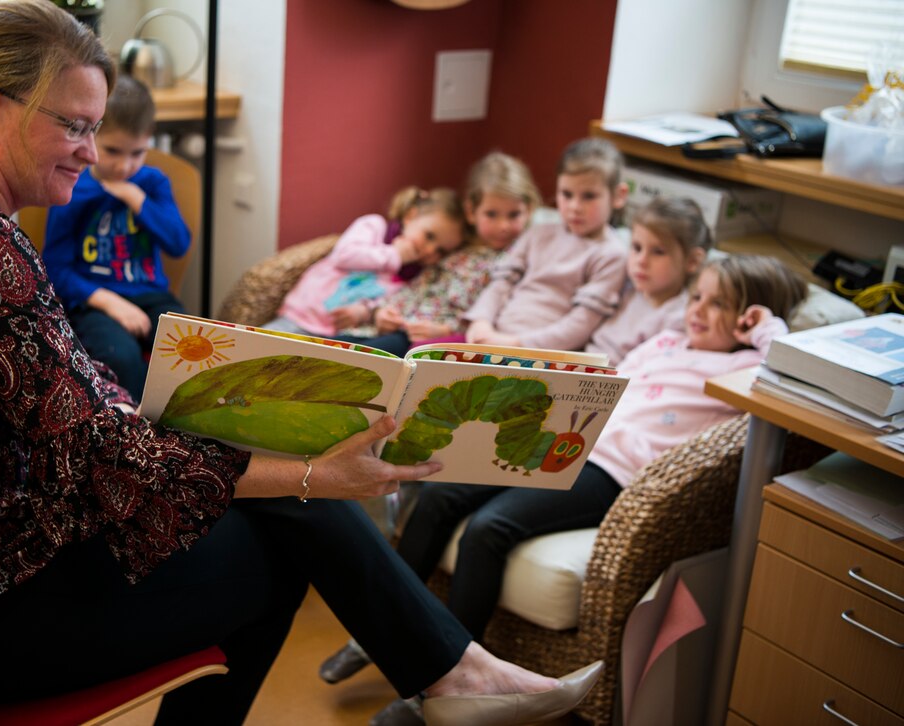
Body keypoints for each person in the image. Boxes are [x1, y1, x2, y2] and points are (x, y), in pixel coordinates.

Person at [0, 2, 603, 725]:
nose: (91, 153)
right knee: (288, 533)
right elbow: (99, 461)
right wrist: (314, 475)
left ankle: (452, 672)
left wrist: (142, 412)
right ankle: (453, 674)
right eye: (75, 126)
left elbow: (42, 400)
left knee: (271, 494)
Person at [320, 254, 808, 724]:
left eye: (718, 304)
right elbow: (608, 383)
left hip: (612, 472)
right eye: (697, 297)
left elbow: (787, 376)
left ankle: (446, 686)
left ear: (749, 317)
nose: (697, 310)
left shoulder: (742, 372)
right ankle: (378, 637)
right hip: (567, 447)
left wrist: (767, 330)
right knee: (440, 494)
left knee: (489, 529)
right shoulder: (664, 342)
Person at [42, 74, 189, 401]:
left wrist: (138, 200)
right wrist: (109, 302)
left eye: (137, 153)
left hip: (151, 296)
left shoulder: (152, 184)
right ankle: (138, 432)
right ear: (93, 137)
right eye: (113, 150)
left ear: (149, 141)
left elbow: (178, 243)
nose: (125, 166)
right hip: (94, 301)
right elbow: (55, 269)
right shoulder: (74, 189)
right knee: (119, 356)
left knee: (189, 349)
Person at [336, 151, 540, 357]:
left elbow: (498, 316)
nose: (503, 226)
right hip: (397, 321)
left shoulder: (519, 257)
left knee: (362, 356)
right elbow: (417, 287)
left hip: (424, 338)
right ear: (471, 212)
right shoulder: (457, 248)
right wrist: (378, 312)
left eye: (513, 215)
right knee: (337, 345)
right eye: (491, 214)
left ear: (529, 210)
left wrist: (445, 331)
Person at [464, 138, 628, 351]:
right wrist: (481, 322)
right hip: (495, 337)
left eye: (589, 196)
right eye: (566, 194)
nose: (575, 207)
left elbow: (582, 323)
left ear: (618, 196)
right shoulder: (539, 233)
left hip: (542, 354)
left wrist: (517, 344)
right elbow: (501, 283)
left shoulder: (611, 254)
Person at [261, 186, 467, 338]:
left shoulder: (409, 280)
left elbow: (380, 301)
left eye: (441, 250)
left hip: (330, 334)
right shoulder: (374, 227)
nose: (430, 250)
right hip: (300, 315)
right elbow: (345, 255)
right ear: (410, 216)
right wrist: (394, 255)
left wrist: (362, 312)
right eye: (429, 236)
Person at [585, 196, 713, 365]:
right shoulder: (626, 284)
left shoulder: (677, 318)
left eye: (658, 252)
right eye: (637, 248)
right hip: (583, 362)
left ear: (692, 261)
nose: (641, 261)